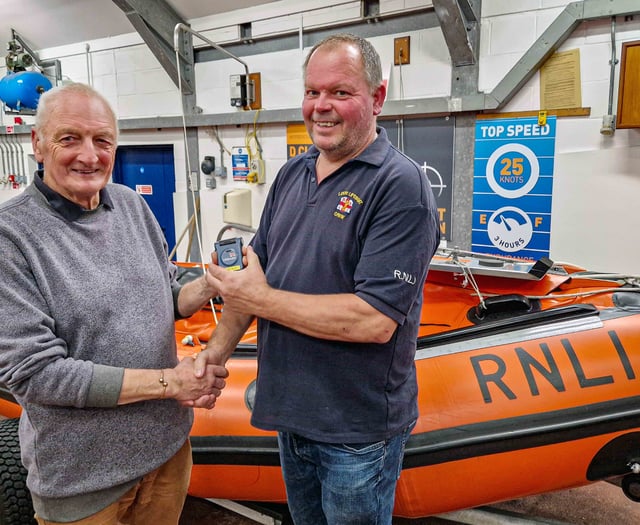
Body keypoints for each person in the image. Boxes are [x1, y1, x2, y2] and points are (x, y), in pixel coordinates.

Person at [195, 33, 441, 524]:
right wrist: (214, 358)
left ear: (376, 98)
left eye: (340, 93)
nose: (321, 107)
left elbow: (373, 321)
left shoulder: (400, 185)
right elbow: (251, 279)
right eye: (312, 92)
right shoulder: (291, 175)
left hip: (356, 431)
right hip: (293, 416)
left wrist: (260, 298)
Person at [0, 82, 229, 525]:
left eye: (102, 140)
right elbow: (37, 375)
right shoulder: (11, 237)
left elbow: (165, 294)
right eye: (70, 138)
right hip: (83, 482)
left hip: (166, 455)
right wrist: (171, 384)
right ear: (38, 144)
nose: (89, 155)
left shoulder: (130, 206)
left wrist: (208, 285)